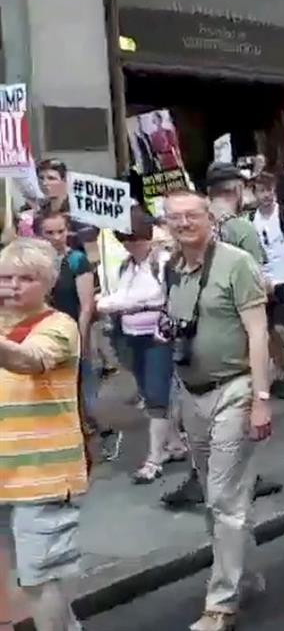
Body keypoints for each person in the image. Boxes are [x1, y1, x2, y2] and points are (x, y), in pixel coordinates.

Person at [162, 190, 273, 631]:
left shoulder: (235, 263)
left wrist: (262, 399)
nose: (184, 223)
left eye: (192, 215)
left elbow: (258, 333)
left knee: (223, 500)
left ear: (210, 218)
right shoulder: (171, 267)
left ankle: (220, 605)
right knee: (218, 499)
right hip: (192, 393)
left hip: (236, 390)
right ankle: (246, 575)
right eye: (175, 217)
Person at [0, 238, 89, 631]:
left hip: (43, 474)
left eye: (25, 278)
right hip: (4, 471)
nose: (12, 286)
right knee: (21, 575)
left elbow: (30, 360)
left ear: (48, 283)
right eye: (5, 277)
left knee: (40, 577)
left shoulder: (60, 325)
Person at [97, 207, 186, 484]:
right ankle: (174, 444)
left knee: (158, 396)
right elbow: (118, 296)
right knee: (149, 394)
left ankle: (154, 458)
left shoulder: (163, 262)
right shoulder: (126, 266)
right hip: (131, 335)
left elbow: (162, 296)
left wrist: (125, 302)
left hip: (158, 337)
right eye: (125, 238)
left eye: (136, 237)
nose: (131, 244)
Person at [35, 211, 106, 461]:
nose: (56, 237)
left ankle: (83, 447)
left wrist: (82, 337)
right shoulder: (34, 264)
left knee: (78, 390)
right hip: (41, 337)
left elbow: (86, 305)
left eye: (60, 232)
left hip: (71, 331)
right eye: (49, 233)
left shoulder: (76, 260)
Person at [249, 172, 284, 400]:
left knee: (281, 330)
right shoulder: (250, 221)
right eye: (261, 190)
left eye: (269, 190)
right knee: (263, 333)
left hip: (283, 280)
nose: (266, 195)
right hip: (260, 283)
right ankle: (270, 373)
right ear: (255, 193)